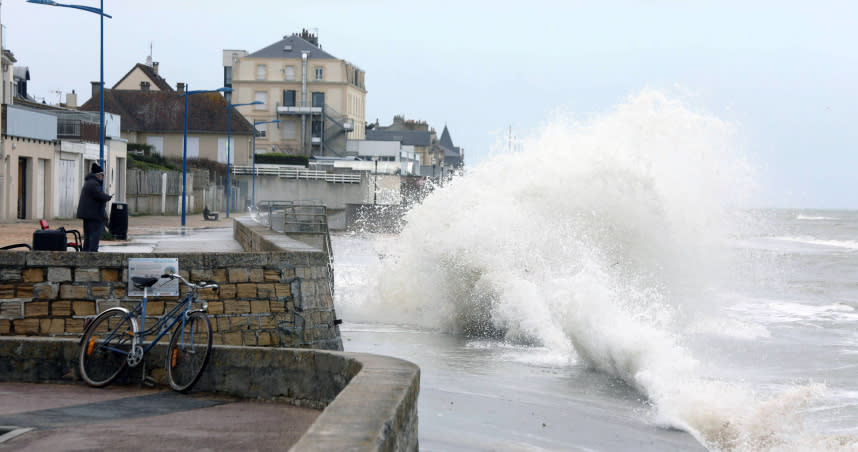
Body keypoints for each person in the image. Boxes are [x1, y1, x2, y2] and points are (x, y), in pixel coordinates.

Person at [76, 162, 112, 252]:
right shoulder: (94, 184)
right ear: (98, 175)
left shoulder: (89, 182)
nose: (103, 177)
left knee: (88, 236)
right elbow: (100, 196)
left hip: (88, 214)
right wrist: (108, 197)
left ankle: (86, 253)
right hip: (93, 215)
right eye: (102, 175)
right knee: (94, 236)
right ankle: (92, 253)